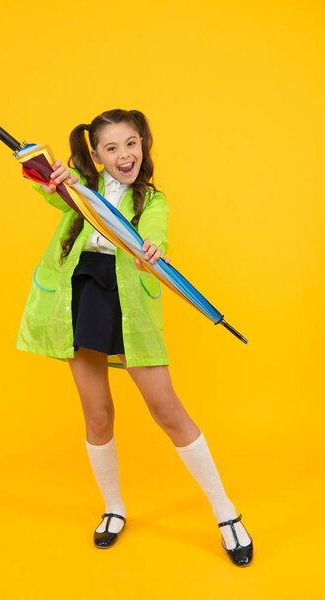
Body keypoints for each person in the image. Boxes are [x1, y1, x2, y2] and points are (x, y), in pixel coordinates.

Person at [15, 109, 253, 566]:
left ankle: (225, 512)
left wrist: (153, 248)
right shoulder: (77, 193)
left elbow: (156, 233)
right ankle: (114, 508)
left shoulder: (153, 200)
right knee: (97, 413)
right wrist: (48, 173)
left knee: (167, 410)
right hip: (80, 294)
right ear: (97, 156)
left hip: (127, 300)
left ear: (143, 144)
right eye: (111, 148)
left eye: (131, 143)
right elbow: (46, 187)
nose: (125, 154)